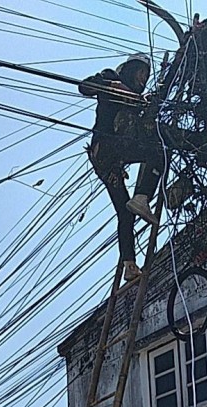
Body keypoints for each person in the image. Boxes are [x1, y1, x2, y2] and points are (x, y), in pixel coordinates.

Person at [79, 53, 165, 283]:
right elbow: (84, 87)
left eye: (147, 76)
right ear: (131, 69)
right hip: (109, 146)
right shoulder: (111, 77)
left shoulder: (138, 100)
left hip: (108, 160)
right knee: (159, 151)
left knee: (124, 214)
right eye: (141, 73)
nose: (143, 79)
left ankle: (129, 265)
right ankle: (142, 197)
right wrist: (111, 86)